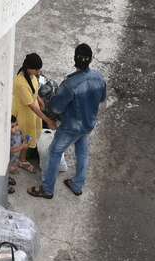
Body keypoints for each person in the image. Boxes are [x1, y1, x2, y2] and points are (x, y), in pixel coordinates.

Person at [26, 43, 106, 199]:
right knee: (82, 152)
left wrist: (46, 107)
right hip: (88, 124)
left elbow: (55, 108)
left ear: (74, 59)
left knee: (54, 152)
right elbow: (101, 99)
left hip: (71, 127)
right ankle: (77, 185)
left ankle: (47, 189)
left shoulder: (70, 85)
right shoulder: (99, 78)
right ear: (90, 60)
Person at [10, 53, 50, 185]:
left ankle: (22, 159)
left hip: (31, 113)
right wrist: (47, 119)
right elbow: (31, 106)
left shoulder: (31, 75)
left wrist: (39, 99)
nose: (39, 72)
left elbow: (34, 89)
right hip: (25, 114)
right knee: (25, 138)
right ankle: (20, 161)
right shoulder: (20, 83)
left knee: (28, 137)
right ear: (29, 68)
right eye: (37, 69)